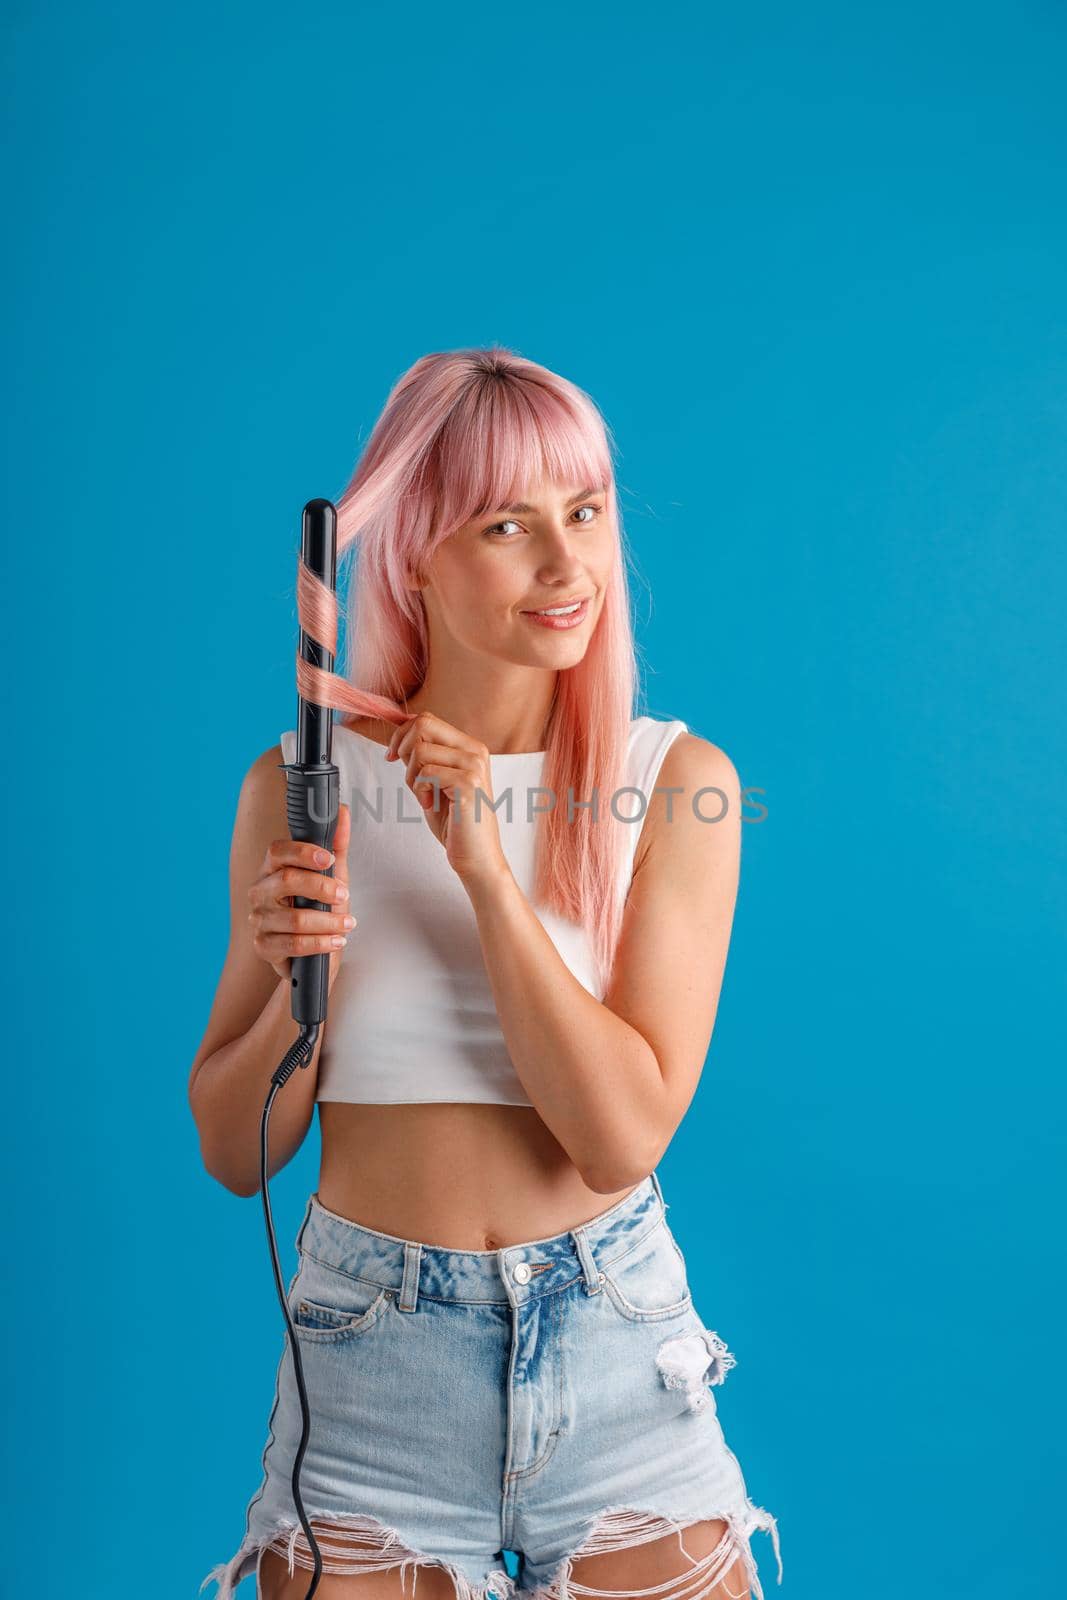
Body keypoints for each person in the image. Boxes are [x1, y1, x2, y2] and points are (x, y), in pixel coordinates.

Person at [191, 347, 783, 1600]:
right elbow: (237, 1149)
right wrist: (314, 977)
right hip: (367, 1369)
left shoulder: (678, 784)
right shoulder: (299, 791)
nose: (567, 566)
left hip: (616, 1353)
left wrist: (486, 879)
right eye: (507, 526)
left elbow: (619, 1136)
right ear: (413, 550)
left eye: (585, 512)